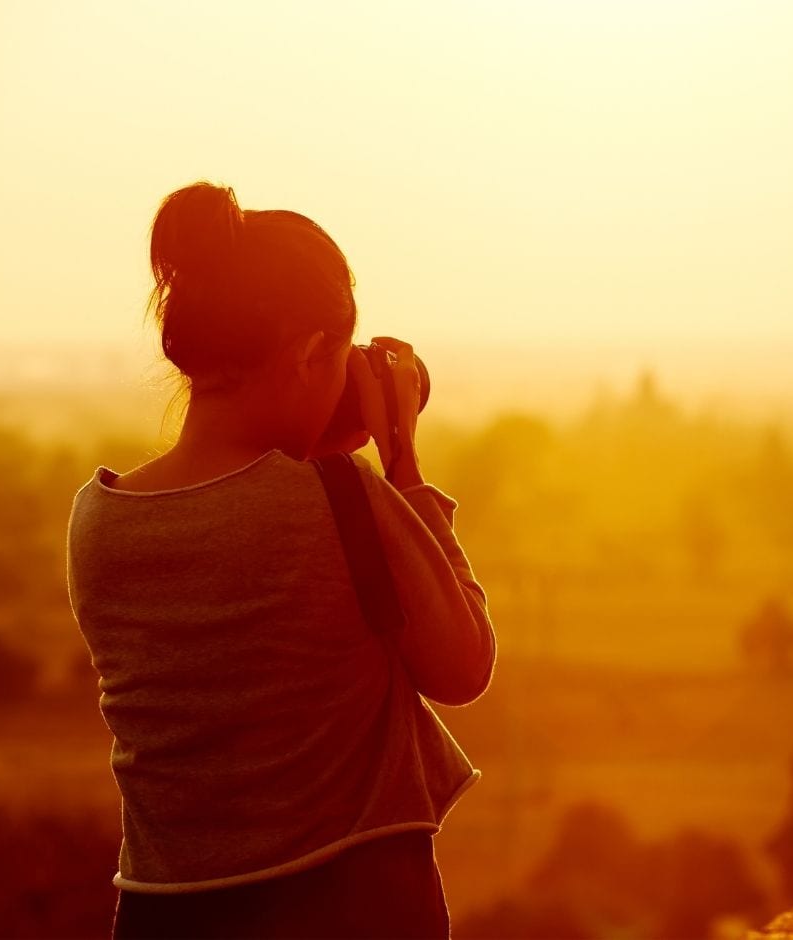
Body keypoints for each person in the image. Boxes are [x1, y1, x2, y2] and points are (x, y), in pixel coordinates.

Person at [65, 181, 496, 939]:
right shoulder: (341, 498)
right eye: (337, 362)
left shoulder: (97, 520)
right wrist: (402, 464)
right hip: (348, 903)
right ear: (305, 355)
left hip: (164, 910)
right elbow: (465, 666)